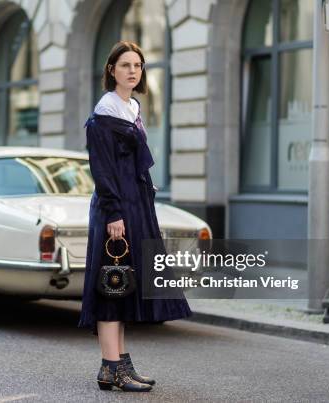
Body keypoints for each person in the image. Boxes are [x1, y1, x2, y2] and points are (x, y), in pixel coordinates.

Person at [78, 41, 193, 392]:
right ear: (111, 70)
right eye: (125, 64)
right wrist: (114, 212)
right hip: (117, 211)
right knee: (113, 285)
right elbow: (104, 169)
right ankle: (112, 369)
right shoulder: (103, 116)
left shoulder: (131, 108)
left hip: (135, 207)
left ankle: (118, 365)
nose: (132, 70)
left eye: (138, 65)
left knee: (123, 284)